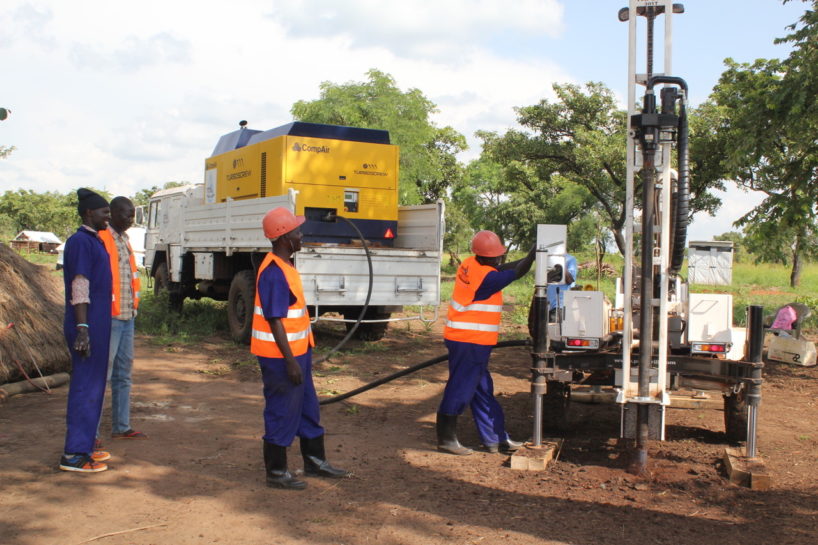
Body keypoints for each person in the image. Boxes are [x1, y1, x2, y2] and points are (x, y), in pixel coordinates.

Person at [251, 207, 350, 490]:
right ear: (284, 238)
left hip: (297, 353)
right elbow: (275, 320)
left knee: (308, 407)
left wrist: (302, 355)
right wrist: (291, 361)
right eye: (296, 231)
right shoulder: (273, 273)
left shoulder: (286, 266)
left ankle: (315, 462)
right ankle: (277, 472)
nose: (301, 235)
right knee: (282, 410)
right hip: (281, 358)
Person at [437, 230, 536, 456]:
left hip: (468, 341)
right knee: (460, 388)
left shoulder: (472, 263)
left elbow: (505, 267)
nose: (500, 259)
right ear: (489, 257)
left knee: (482, 391)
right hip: (469, 341)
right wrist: (532, 255)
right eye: (497, 256)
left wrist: (531, 255)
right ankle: (446, 439)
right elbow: (517, 271)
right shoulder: (487, 280)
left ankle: (495, 439)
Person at [59, 188, 113, 473]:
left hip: (97, 325)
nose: (109, 216)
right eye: (105, 212)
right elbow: (80, 285)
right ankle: (74, 454)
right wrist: (82, 328)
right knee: (85, 387)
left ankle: (85, 444)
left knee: (94, 385)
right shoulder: (81, 241)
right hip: (87, 326)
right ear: (89, 213)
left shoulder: (95, 240)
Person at [97, 196, 146, 442]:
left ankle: (121, 426)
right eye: (127, 214)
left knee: (123, 374)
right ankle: (91, 433)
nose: (130, 219)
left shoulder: (124, 240)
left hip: (128, 316)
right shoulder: (102, 238)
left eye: (133, 215)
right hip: (111, 317)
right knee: (102, 376)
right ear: (113, 213)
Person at [547, 254, 577, 320]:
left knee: (555, 329)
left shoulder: (570, 259)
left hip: (559, 306)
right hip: (546, 306)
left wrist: (560, 262)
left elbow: (570, 280)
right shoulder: (547, 258)